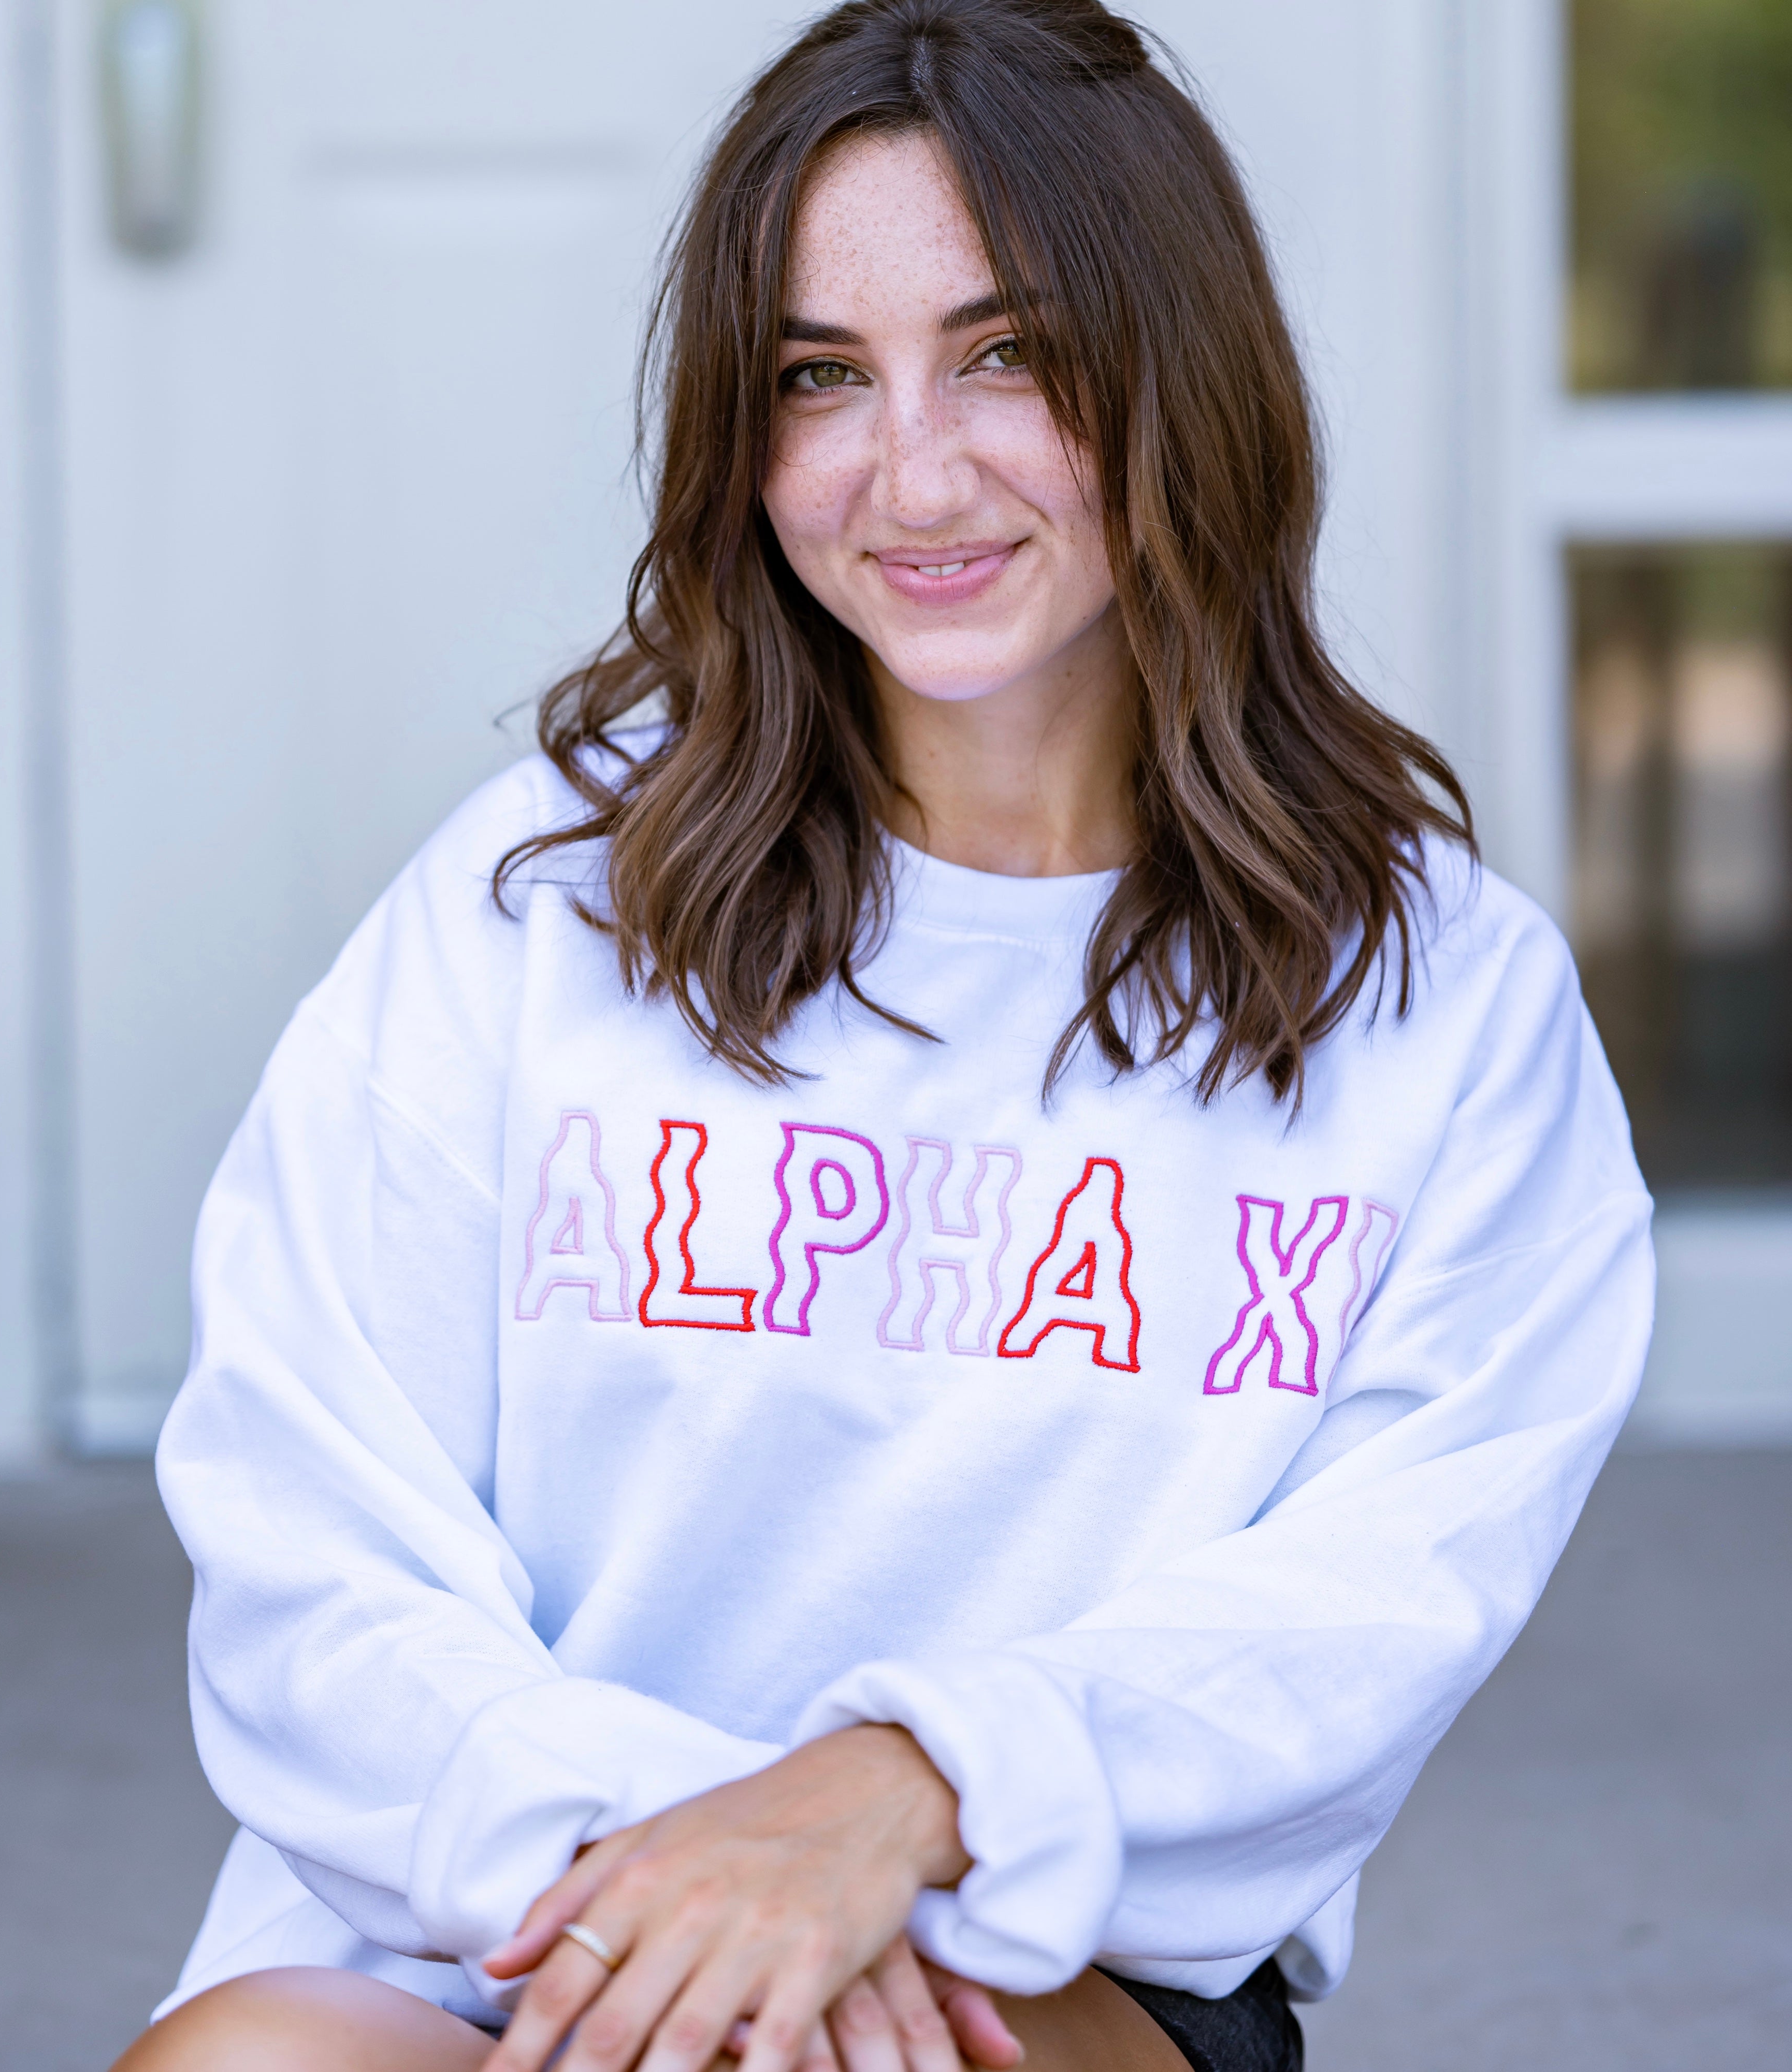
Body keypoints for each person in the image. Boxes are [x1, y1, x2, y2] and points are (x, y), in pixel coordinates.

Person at [111, 3, 1654, 2069]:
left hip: (1051, 1965)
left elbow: (1349, 1633)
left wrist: (902, 1798)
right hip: (497, 1923)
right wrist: (706, 1888)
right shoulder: (540, 905)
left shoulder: (1441, 1004)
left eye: (1006, 354)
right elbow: (312, 1544)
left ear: (1173, 371)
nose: (909, 473)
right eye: (816, 378)